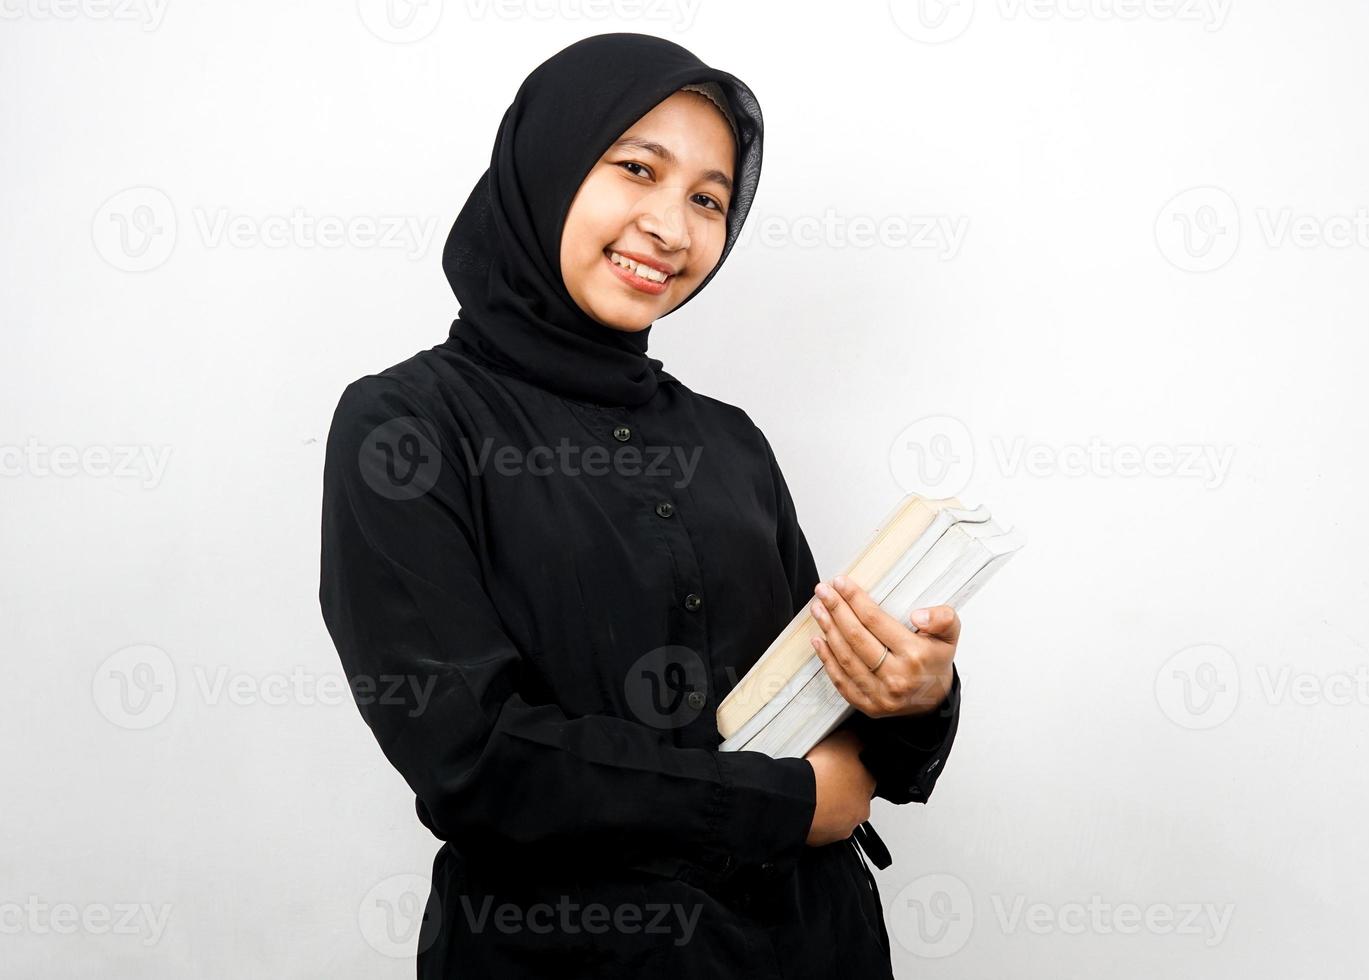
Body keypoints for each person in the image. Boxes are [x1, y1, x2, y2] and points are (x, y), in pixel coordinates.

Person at [318, 32, 963, 979]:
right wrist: (779, 805)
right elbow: (472, 760)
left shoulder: (729, 442)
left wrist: (914, 696)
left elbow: (810, 705)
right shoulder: (408, 427)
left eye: (708, 198)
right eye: (636, 169)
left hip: (808, 947)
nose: (672, 227)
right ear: (545, 168)